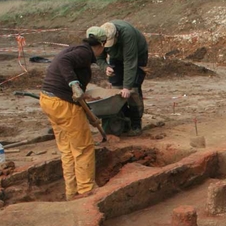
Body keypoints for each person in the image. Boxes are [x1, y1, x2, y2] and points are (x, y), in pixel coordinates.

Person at [39, 34, 105, 200]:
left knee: (67, 149)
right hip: (63, 104)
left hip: (48, 100)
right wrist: (74, 85)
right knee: (83, 148)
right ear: (101, 45)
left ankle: (71, 192)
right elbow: (64, 62)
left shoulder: (75, 48)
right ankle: (85, 191)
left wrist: (88, 114)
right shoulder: (84, 53)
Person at [86, 20, 148, 136]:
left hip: (137, 56)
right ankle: (124, 121)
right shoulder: (100, 35)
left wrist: (127, 87)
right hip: (116, 57)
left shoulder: (127, 35)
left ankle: (136, 124)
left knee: (132, 90)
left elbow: (130, 62)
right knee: (116, 89)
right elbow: (99, 57)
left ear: (117, 36)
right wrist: (106, 67)